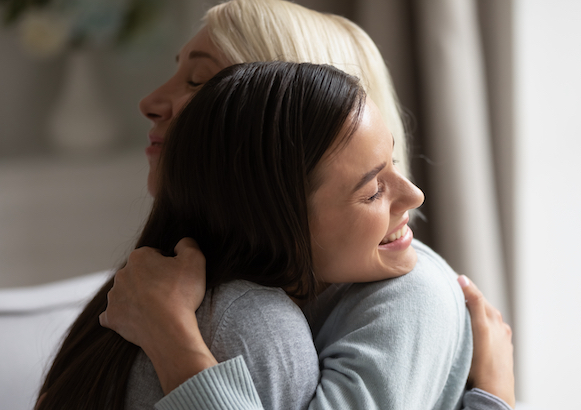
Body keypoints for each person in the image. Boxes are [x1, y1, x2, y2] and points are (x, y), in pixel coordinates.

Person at [41, 0, 515, 408]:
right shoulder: (210, 301)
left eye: (202, 81)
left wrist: (172, 337)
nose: (150, 100)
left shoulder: (398, 295)